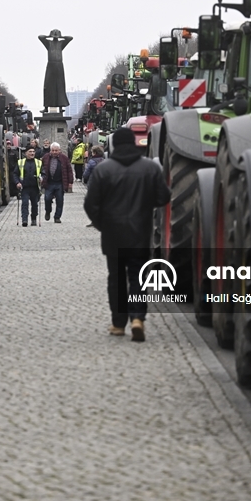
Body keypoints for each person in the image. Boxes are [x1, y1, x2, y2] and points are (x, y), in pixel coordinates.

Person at [83, 128, 170, 341]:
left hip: (113, 233)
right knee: (138, 276)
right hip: (140, 231)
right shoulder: (149, 168)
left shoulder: (104, 170)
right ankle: (138, 317)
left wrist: (102, 223)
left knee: (117, 278)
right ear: (133, 143)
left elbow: (91, 203)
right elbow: (163, 197)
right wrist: (146, 205)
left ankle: (118, 323)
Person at [40, 142, 72, 223]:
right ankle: (48, 211)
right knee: (47, 198)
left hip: (60, 183)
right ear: (50, 150)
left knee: (60, 200)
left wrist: (70, 182)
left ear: (59, 150)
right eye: (53, 150)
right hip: (49, 182)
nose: (54, 152)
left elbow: (69, 170)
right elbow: (41, 167)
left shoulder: (64, 158)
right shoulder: (46, 157)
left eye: (56, 150)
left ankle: (57, 217)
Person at [13, 146, 43, 226]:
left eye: (33, 151)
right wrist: (17, 183)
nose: (32, 153)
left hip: (35, 187)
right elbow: (15, 174)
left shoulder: (38, 162)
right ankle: (24, 220)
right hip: (24, 187)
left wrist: (42, 178)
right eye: (30, 152)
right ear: (26, 153)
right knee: (25, 203)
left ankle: (33, 219)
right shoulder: (20, 162)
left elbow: (43, 173)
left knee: (34, 204)